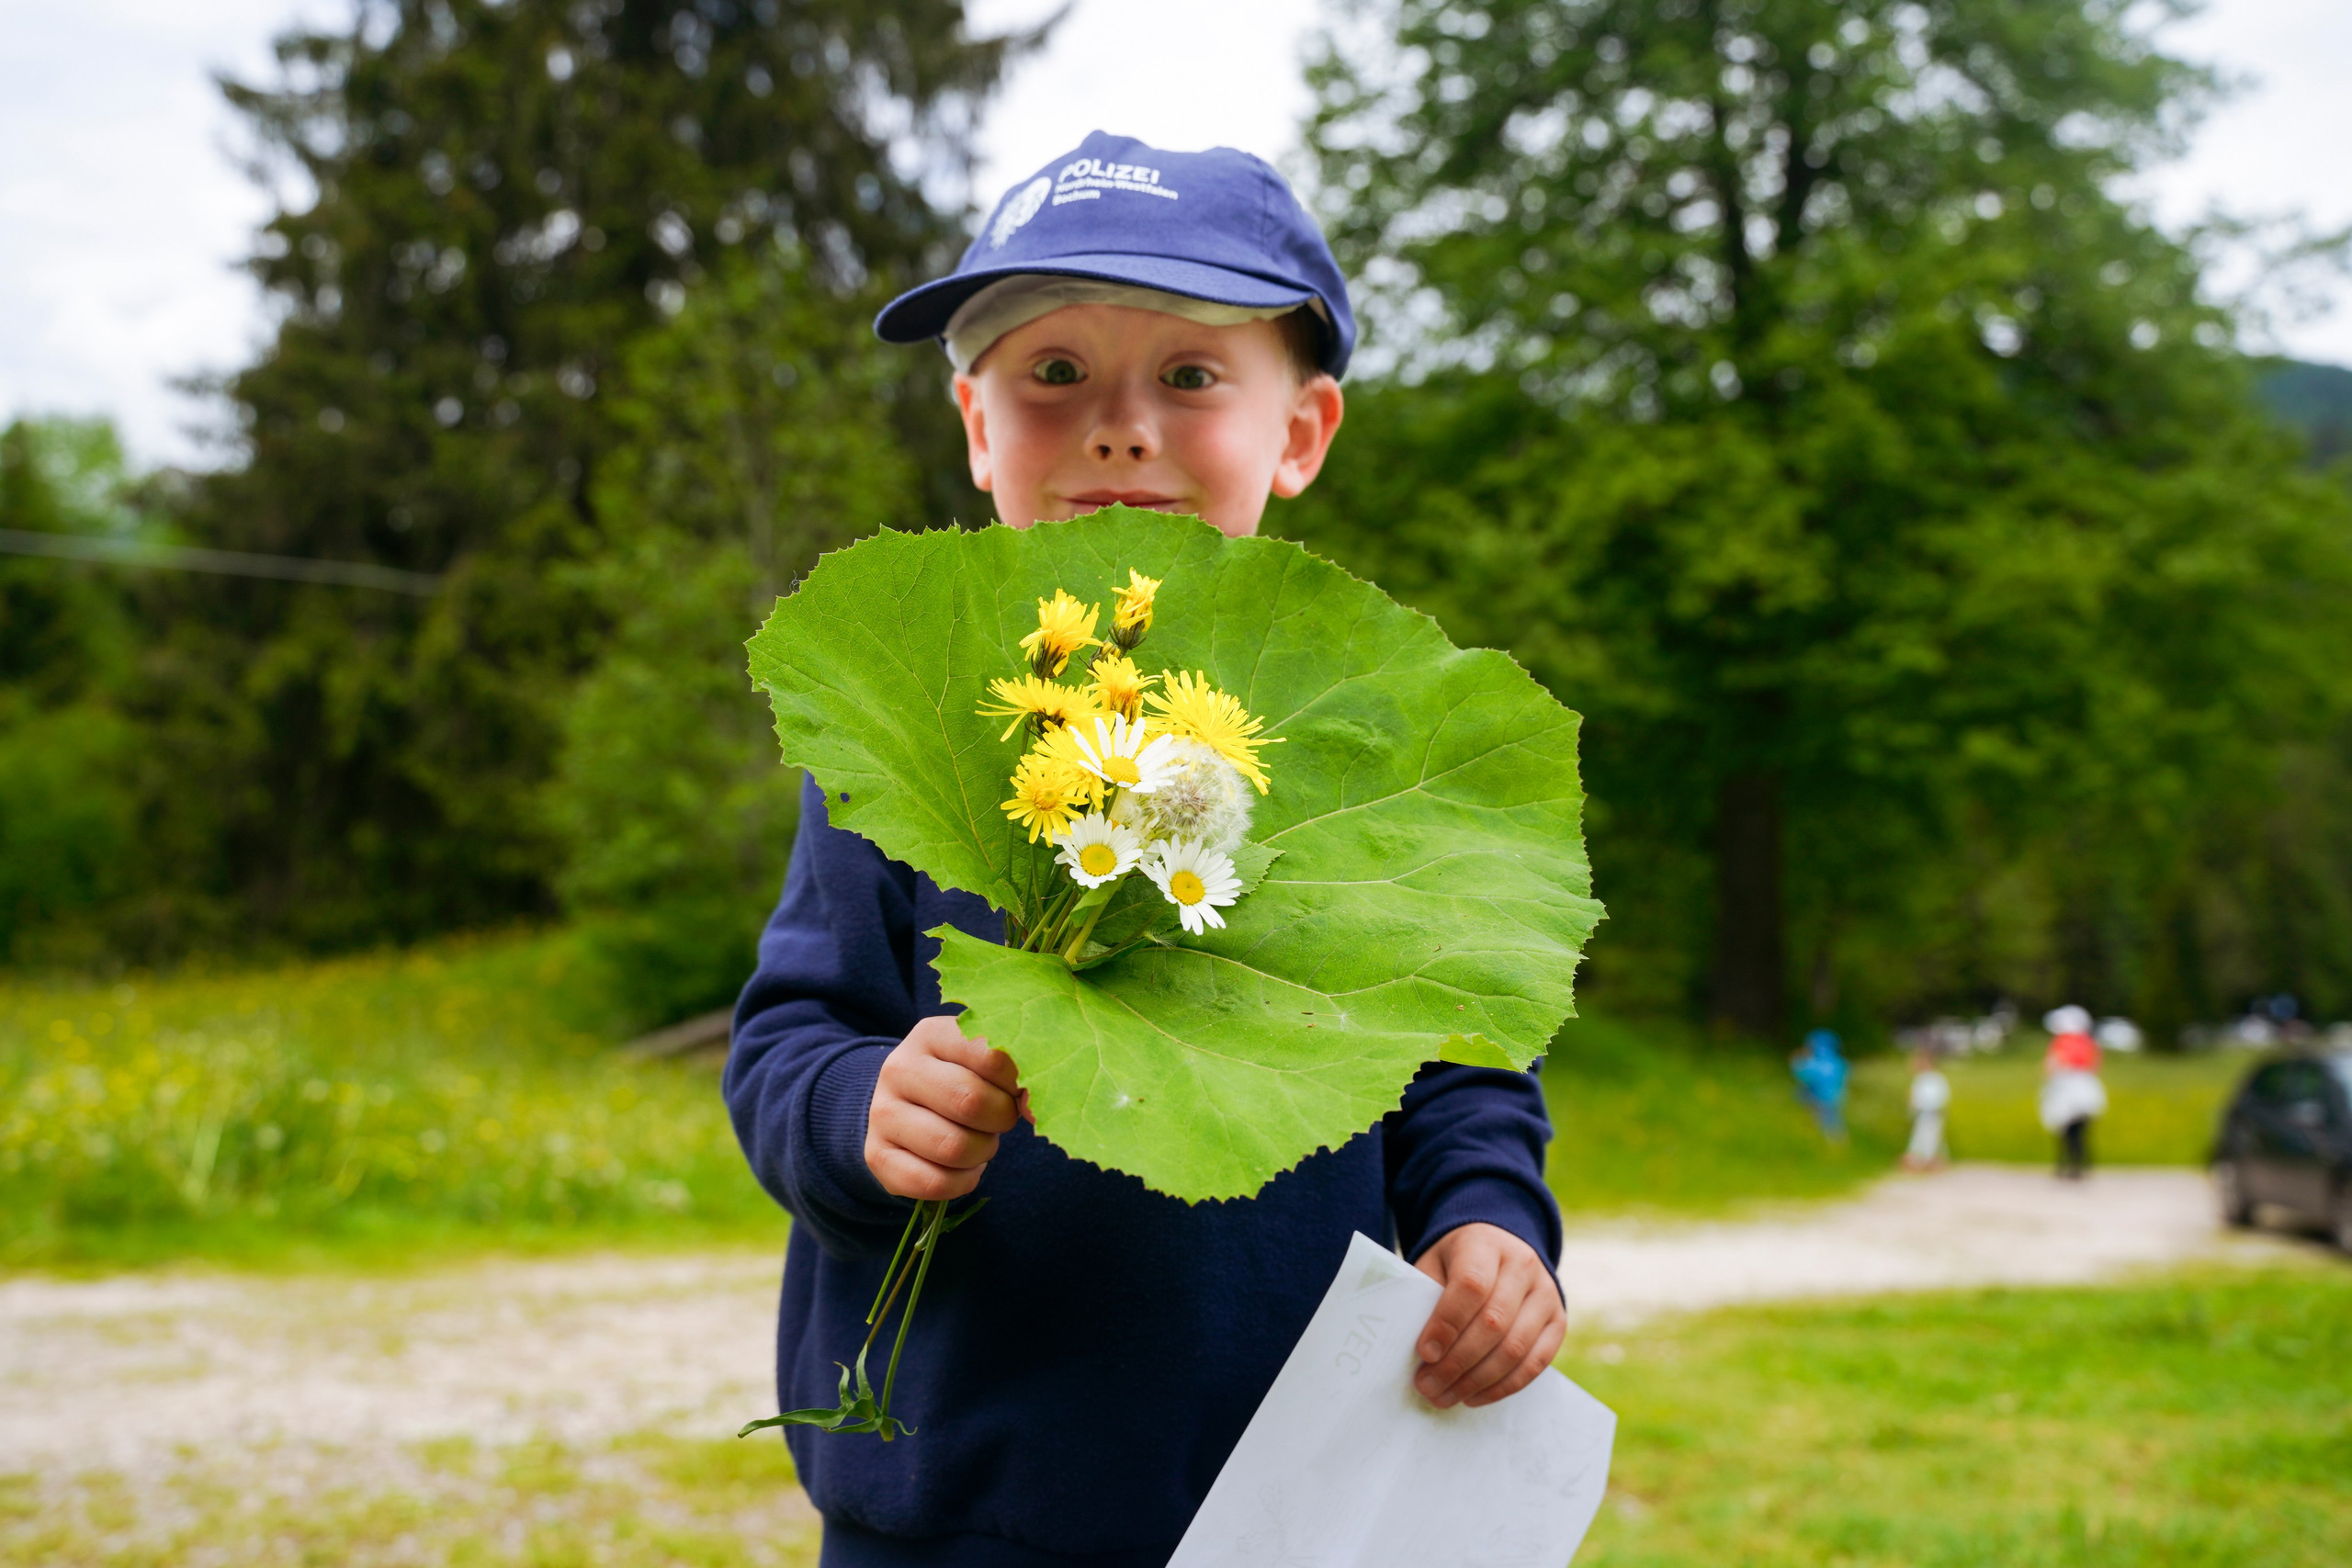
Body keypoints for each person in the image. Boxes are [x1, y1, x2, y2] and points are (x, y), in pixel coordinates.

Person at [723, 132, 1566, 1568]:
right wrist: (865, 1106)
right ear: (976, 426)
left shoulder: (1361, 755)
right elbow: (788, 1035)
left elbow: (1458, 1056)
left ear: (1297, 434)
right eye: (1053, 374)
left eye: (1189, 375)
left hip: (1294, 1493)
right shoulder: (913, 724)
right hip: (951, 1503)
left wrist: (1493, 1221)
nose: (1120, 427)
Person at [2039, 1005, 2106, 1180]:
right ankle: (2082, 1165)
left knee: (2065, 1131)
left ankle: (2064, 1165)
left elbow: (2051, 1065)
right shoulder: (2089, 1042)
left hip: (2065, 1091)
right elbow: (2095, 1065)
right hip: (2086, 1090)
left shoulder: (2061, 1042)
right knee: (2080, 1132)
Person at [1790, 1028, 1849, 1143]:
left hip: (1817, 1098)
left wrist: (1796, 1061)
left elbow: (1803, 1074)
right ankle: (1837, 1145)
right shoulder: (1838, 1062)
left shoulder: (1815, 1063)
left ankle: (1831, 1146)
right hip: (1835, 1097)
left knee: (1823, 1125)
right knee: (1833, 1123)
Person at [1902, 1048, 1950, 1171]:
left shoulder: (1935, 1079)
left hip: (1931, 1113)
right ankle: (1919, 1162)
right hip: (1921, 1114)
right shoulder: (1920, 1079)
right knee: (1920, 1139)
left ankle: (1927, 1162)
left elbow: (1939, 1098)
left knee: (1929, 1139)